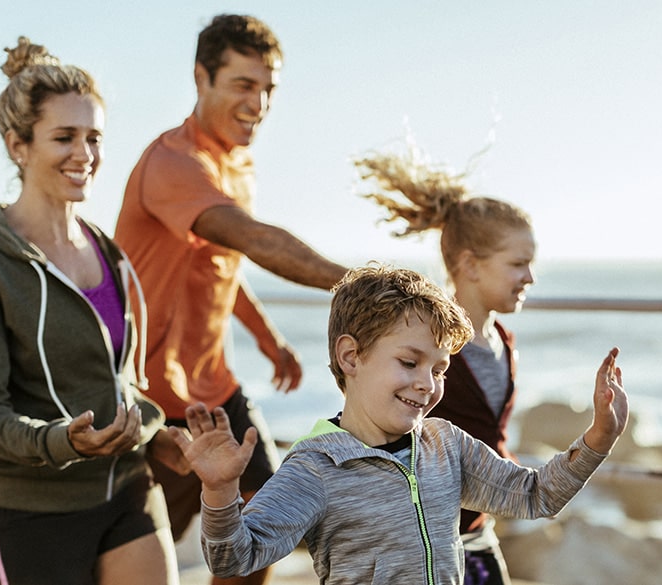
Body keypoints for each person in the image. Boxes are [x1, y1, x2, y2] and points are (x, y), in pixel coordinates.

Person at [171, 264, 629, 584]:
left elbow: (536, 496)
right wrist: (219, 491)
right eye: (409, 362)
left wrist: (598, 438)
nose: (427, 384)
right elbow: (234, 558)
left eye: (439, 370)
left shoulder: (446, 444)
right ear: (351, 356)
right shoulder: (316, 467)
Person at [112, 13, 348, 584]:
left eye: (268, 89)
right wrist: (367, 281)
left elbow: (219, 265)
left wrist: (270, 339)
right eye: (244, 85)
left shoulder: (238, 165)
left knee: (261, 528)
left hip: (216, 385)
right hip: (155, 395)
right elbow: (254, 240)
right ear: (202, 78)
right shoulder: (172, 163)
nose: (259, 103)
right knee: (136, 558)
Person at [0, 37, 185, 585]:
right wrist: (64, 441)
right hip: (27, 515)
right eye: (65, 137)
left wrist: (164, 435)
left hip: (125, 489)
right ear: (17, 145)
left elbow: (119, 383)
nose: (85, 154)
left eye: (94, 137)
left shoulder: (108, 251)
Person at [355, 143, 535, 584]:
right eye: (518, 264)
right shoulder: (426, 348)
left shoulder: (504, 340)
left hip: (476, 533)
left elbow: (489, 435)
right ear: (470, 266)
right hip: (422, 543)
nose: (530, 277)